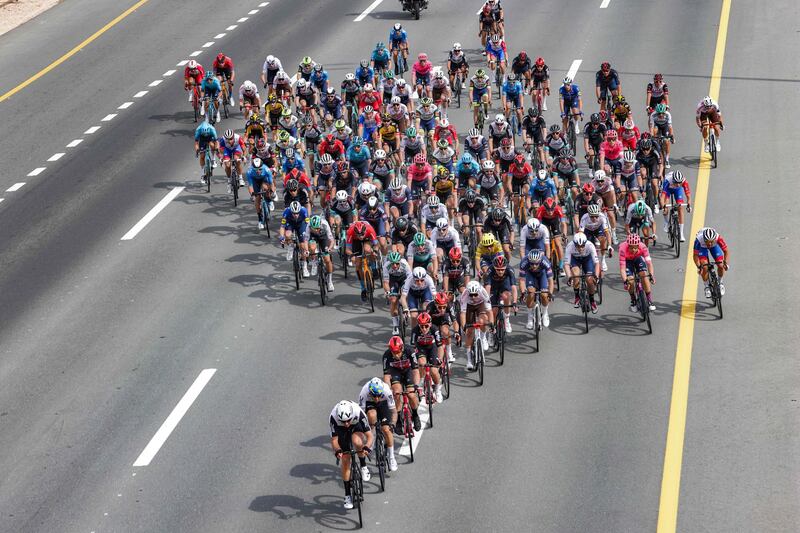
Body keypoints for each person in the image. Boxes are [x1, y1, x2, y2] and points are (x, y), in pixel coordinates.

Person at [329, 400, 373, 510]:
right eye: (343, 421)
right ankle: (347, 494)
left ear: (351, 415)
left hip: (356, 424)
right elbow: (334, 440)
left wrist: (367, 447)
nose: (346, 423)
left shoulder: (358, 413)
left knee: (358, 442)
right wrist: (338, 450)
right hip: (340, 430)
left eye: (348, 420)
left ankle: (363, 466)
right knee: (345, 459)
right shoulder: (333, 418)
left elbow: (370, 436)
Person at [358, 378, 399, 472]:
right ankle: (372, 438)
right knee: (371, 415)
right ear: (370, 392)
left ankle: (391, 457)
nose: (376, 399)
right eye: (374, 396)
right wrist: (366, 428)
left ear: (382, 393)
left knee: (386, 430)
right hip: (369, 404)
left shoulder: (386, 391)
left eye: (378, 396)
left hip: (384, 404)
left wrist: (392, 424)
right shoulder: (364, 392)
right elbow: (361, 414)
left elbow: (394, 412)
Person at [382, 336, 421, 432]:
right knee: (396, 392)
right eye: (393, 352)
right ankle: (398, 417)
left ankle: (415, 414)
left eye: (398, 352)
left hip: (408, 371)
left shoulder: (410, 351)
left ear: (402, 348)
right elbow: (386, 376)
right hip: (395, 372)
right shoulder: (386, 356)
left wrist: (416, 386)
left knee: (411, 395)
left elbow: (416, 371)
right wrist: (389, 389)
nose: (396, 355)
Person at [410, 312, 444, 403]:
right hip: (421, 348)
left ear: (430, 324)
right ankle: (421, 381)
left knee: (433, 370)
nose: (424, 328)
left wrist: (439, 359)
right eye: (421, 326)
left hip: (432, 348)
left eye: (426, 326)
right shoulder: (415, 331)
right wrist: (414, 361)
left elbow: (440, 346)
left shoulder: (434, 329)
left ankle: (437, 389)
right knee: (421, 363)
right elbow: (413, 348)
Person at [459, 280, 492, 371]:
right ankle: (469, 360)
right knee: (469, 332)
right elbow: (462, 313)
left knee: (482, 320)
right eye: (471, 295)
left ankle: (483, 337)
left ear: (478, 292)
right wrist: (464, 326)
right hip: (468, 307)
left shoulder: (483, 292)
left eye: (475, 295)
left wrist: (491, 324)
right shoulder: (465, 295)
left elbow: (489, 311)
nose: (473, 297)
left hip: (480, 305)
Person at [618, 233, 656, 312]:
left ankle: (649, 300)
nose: (633, 250)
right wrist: (625, 281)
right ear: (628, 245)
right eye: (631, 247)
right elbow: (622, 268)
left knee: (644, 275)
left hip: (638, 258)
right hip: (627, 261)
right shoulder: (622, 248)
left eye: (635, 248)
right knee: (630, 280)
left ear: (638, 246)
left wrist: (651, 275)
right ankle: (633, 299)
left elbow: (649, 263)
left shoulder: (643, 247)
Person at [564, 232, 600, 313]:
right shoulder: (570, 246)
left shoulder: (590, 245)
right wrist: (569, 277)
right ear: (574, 244)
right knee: (575, 276)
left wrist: (596, 276)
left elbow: (597, 263)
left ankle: (592, 301)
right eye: (578, 246)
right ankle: (577, 297)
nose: (580, 248)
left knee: (590, 280)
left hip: (587, 259)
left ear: (585, 243)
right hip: (575, 260)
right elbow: (566, 264)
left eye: (582, 246)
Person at [519, 249, 554, 328]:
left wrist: (550, 293)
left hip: (542, 275)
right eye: (532, 264)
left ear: (540, 261)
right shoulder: (524, 262)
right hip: (530, 275)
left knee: (544, 295)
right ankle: (530, 317)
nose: (534, 266)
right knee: (531, 293)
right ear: (529, 261)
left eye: (536, 264)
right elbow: (521, 280)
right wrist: (523, 292)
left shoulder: (545, 262)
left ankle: (545, 313)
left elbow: (550, 280)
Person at [483, 255, 517, 334]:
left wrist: (514, 302)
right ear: (494, 267)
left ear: (505, 267)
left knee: (507, 296)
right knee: (493, 311)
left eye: (502, 270)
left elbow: (514, 288)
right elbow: (487, 287)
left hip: (505, 284)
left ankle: (507, 319)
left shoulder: (510, 269)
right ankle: (492, 331)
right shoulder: (490, 270)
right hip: (493, 286)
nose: (500, 272)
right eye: (498, 270)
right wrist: (487, 301)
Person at [346, 221, 380, 301]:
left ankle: (374, 267)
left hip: (367, 239)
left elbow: (376, 244)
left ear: (365, 231)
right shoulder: (350, 231)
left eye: (362, 234)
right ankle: (363, 289)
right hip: (355, 242)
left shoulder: (369, 229)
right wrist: (352, 255)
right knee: (358, 265)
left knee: (368, 250)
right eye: (358, 234)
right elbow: (347, 249)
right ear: (355, 232)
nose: (360, 236)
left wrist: (374, 251)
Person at [693, 227, 729, 297]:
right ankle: (706, 287)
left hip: (714, 246)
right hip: (702, 247)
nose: (709, 244)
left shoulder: (718, 238)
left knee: (721, 265)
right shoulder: (698, 240)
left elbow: (726, 251)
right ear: (704, 239)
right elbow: (695, 255)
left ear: (714, 239)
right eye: (707, 241)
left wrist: (725, 263)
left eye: (711, 241)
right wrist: (699, 266)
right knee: (705, 267)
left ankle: (720, 283)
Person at [383, 251, 412, 334]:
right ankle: (395, 325)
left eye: (397, 264)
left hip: (404, 279)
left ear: (400, 262)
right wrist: (388, 292)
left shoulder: (405, 264)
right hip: (393, 280)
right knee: (393, 300)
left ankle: (406, 308)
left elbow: (410, 280)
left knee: (404, 294)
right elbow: (385, 282)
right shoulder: (386, 266)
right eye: (392, 264)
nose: (394, 266)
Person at [306, 215, 336, 291]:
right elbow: (306, 240)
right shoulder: (309, 225)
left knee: (327, 259)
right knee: (312, 248)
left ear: (320, 225)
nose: (316, 230)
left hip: (323, 237)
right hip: (313, 237)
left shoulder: (325, 224)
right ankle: (314, 262)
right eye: (314, 228)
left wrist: (329, 248)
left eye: (317, 228)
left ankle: (329, 281)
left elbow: (331, 240)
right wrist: (307, 250)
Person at [659, 170, 691, 242]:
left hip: (677, 191)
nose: (678, 184)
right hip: (668, 190)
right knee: (666, 207)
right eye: (676, 183)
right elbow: (662, 197)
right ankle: (666, 223)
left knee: (680, 208)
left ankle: (681, 233)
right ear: (673, 180)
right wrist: (663, 206)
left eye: (680, 183)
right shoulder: (667, 181)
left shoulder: (684, 181)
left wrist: (689, 204)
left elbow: (688, 195)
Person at [279, 201, 310, 274]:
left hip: (301, 224)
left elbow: (308, 225)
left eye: (297, 213)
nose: (296, 215)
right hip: (290, 223)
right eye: (294, 213)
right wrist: (281, 237)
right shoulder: (286, 212)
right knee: (287, 234)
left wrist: (307, 236)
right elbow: (282, 227)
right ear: (290, 211)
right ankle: (290, 246)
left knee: (302, 246)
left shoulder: (304, 211)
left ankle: (305, 266)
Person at [246, 157, 275, 230]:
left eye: (260, 169)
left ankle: (269, 201)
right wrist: (252, 195)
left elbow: (271, 183)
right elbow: (250, 185)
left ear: (262, 167)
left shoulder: (266, 169)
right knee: (257, 198)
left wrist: (272, 192)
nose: (258, 171)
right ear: (253, 168)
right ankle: (260, 219)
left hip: (264, 179)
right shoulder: (249, 172)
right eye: (256, 170)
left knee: (265, 187)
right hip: (255, 181)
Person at [649, 103, 674, 168]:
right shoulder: (653, 115)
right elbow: (651, 127)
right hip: (657, 126)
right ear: (656, 112)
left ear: (664, 112)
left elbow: (670, 127)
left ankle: (667, 159)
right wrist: (652, 136)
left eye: (662, 113)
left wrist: (671, 136)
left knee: (667, 142)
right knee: (654, 131)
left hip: (665, 126)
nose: (660, 115)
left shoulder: (668, 114)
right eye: (659, 113)